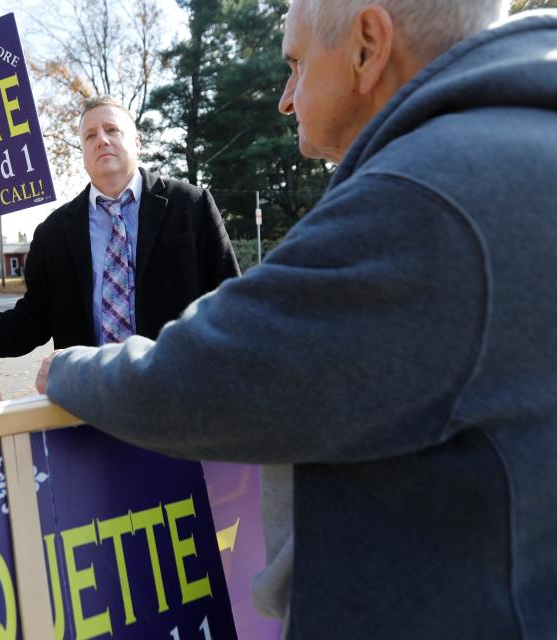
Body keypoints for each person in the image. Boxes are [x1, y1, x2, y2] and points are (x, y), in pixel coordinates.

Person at [37, 2, 557, 638]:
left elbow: (209, 380)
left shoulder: (421, 201)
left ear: (367, 46)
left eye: (297, 63)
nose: (285, 98)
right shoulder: (521, 141)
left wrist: (67, 369)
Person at [0, 96, 240, 357]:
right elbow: (34, 320)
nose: (101, 140)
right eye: (90, 135)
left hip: (178, 391)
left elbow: (229, 304)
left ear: (137, 143)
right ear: (83, 153)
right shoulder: (53, 233)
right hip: (90, 397)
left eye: (112, 130)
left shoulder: (191, 205)